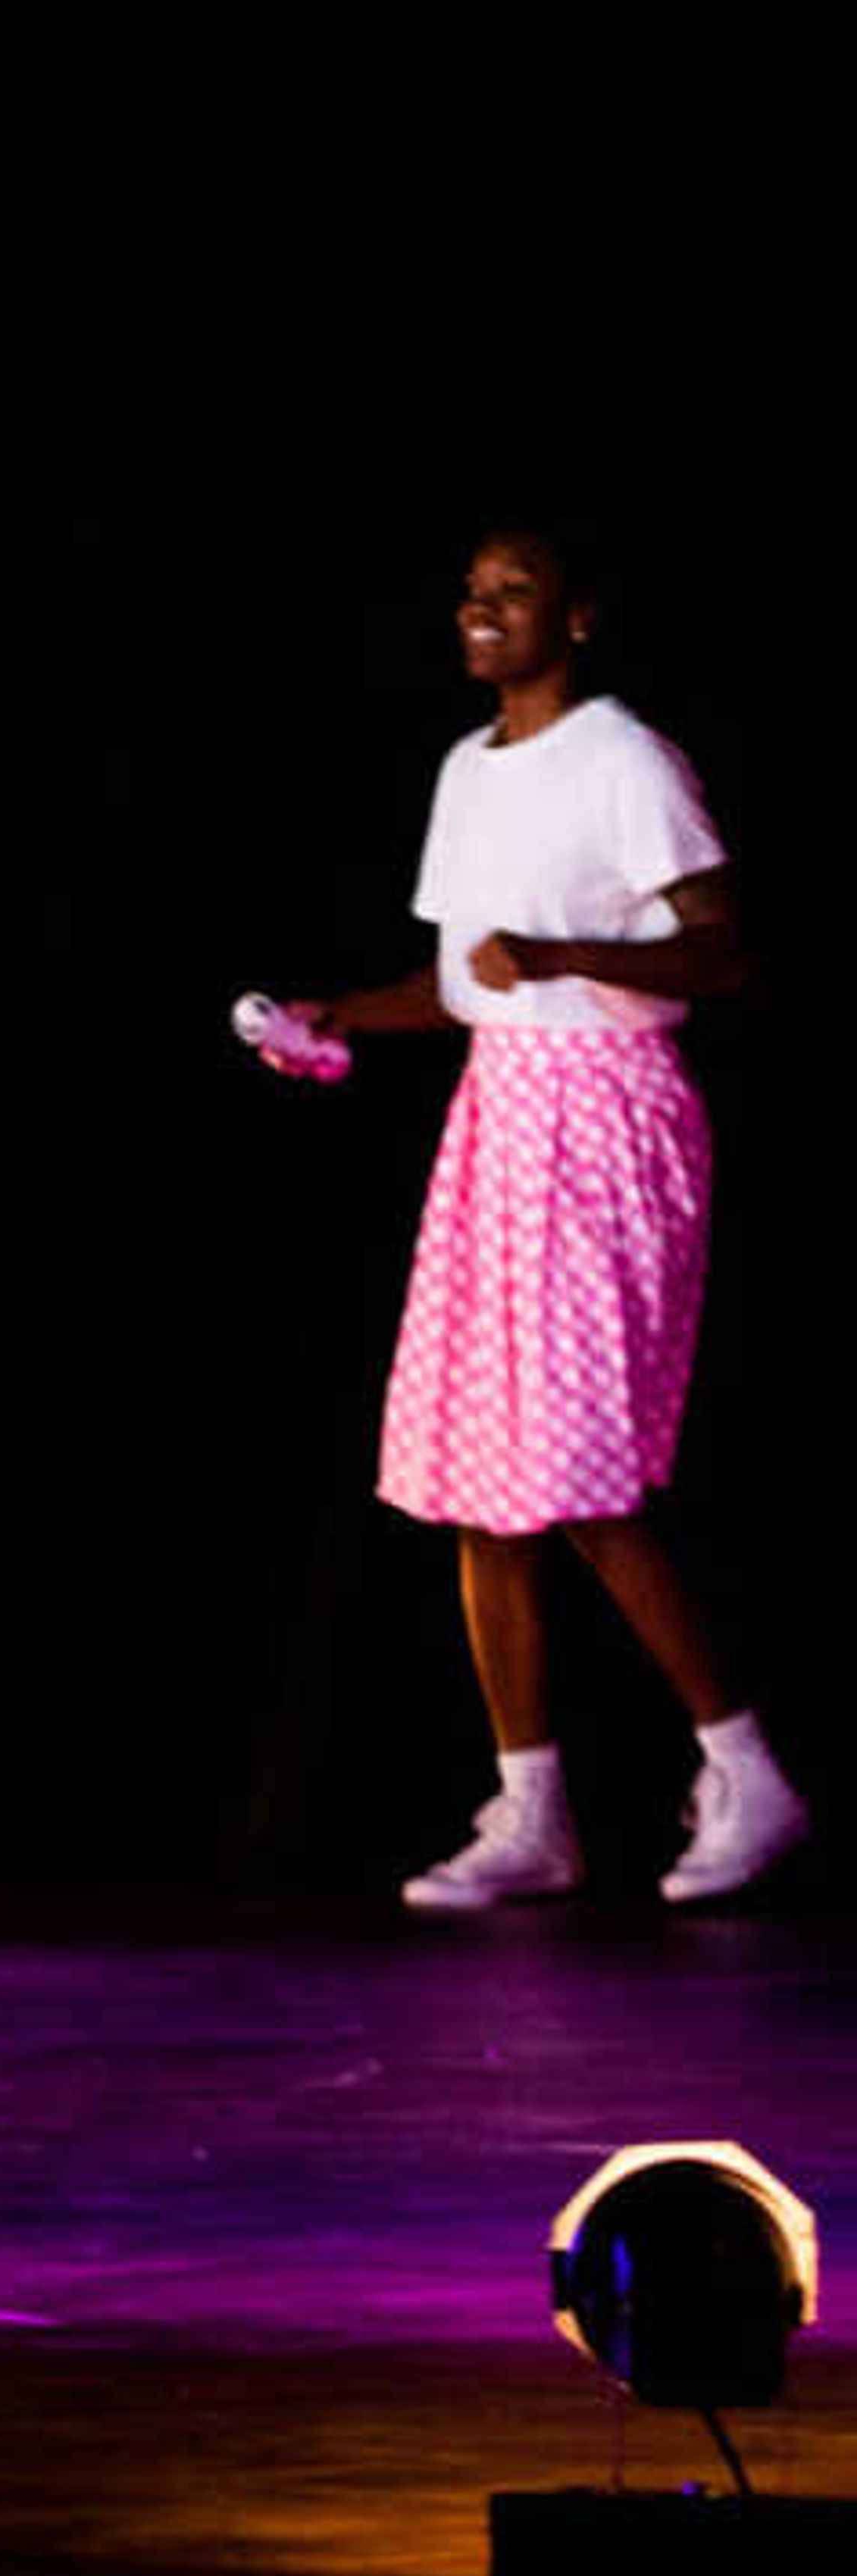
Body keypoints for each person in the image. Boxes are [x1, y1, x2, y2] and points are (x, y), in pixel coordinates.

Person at [268, 528, 811, 1911]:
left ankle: (749, 1772)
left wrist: (568, 953)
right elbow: (468, 983)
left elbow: (726, 948)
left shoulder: (626, 757)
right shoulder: (469, 769)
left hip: (610, 1114)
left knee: (582, 1472)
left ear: (577, 617)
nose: (481, 612)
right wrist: (342, 1014)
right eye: (469, 592)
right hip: (499, 1117)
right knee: (479, 1481)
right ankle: (534, 1811)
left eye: (512, 595)